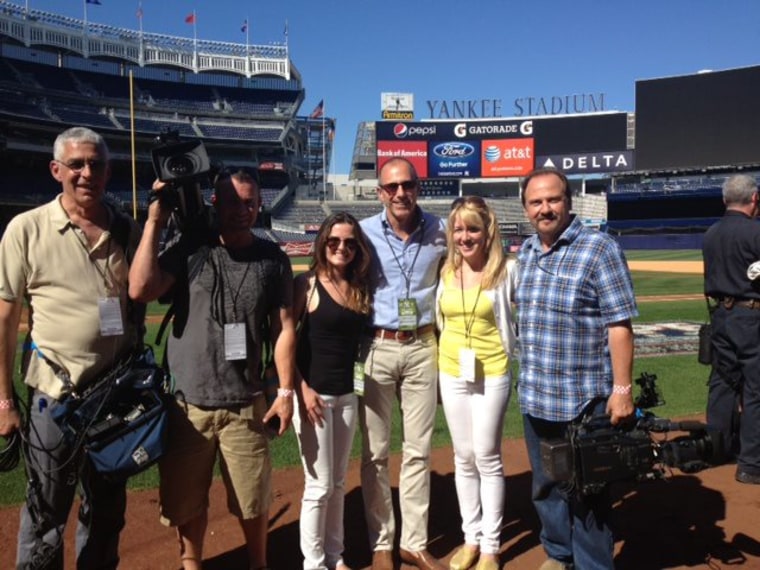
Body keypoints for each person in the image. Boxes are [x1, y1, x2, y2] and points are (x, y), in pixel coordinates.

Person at [128, 168, 297, 570]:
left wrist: (286, 392)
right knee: (186, 503)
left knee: (252, 501)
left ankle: (258, 564)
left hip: (246, 402)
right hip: (188, 404)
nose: (243, 210)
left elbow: (284, 328)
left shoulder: (272, 259)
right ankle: (192, 565)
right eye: (233, 201)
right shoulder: (191, 249)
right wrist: (155, 220)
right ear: (215, 203)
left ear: (260, 203)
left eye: (250, 201)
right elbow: (139, 289)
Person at [0, 126, 143, 568]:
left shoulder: (125, 228)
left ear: (108, 171)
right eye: (76, 164)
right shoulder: (26, 229)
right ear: (56, 170)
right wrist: (4, 400)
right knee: (46, 513)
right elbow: (5, 319)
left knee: (106, 511)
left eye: (96, 164)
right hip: (54, 400)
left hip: (114, 401)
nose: (86, 173)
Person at [515, 167, 638, 570]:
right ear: (526, 207)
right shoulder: (528, 251)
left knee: (589, 492)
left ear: (568, 202)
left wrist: (621, 391)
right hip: (536, 394)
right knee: (545, 486)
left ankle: (592, 565)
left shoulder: (599, 248)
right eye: (536, 202)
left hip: (583, 398)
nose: (545, 208)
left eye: (553, 199)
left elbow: (619, 325)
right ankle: (559, 553)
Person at [359, 157, 447, 570]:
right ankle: (381, 542)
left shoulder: (440, 230)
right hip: (375, 346)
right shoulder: (362, 233)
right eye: (391, 187)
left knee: (419, 451)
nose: (399, 193)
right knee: (375, 452)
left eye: (407, 185)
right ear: (380, 192)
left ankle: (413, 541)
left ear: (418, 187)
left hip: (422, 346)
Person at [435, 196, 517, 570]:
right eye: (458, 229)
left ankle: (491, 546)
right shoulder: (446, 271)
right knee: (463, 457)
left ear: (487, 232)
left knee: (486, 456)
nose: (464, 236)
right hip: (451, 370)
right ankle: (470, 538)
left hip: (492, 372)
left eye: (472, 228)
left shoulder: (506, 271)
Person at [293, 212, 373, 570]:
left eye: (350, 243)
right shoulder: (305, 285)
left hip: (346, 395)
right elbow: (286, 344)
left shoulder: (357, 287)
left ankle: (334, 556)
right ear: (323, 242)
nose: (342, 247)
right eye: (335, 241)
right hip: (315, 397)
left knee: (338, 482)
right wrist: (301, 389)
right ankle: (313, 563)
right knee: (319, 485)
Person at [702, 173, 760, 485]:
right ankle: (751, 464)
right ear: (754, 199)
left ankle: (716, 450)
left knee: (722, 381)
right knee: (755, 389)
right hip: (751, 316)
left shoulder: (710, 232)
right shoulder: (756, 232)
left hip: (719, 317)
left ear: (725, 200)